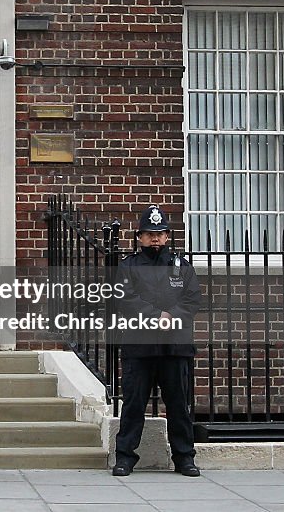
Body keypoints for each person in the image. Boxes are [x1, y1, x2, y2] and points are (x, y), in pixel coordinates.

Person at [112, 204, 202, 478]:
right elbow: (124, 299)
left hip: (175, 347)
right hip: (139, 347)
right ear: (139, 236)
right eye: (149, 233)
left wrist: (171, 316)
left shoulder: (181, 266)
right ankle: (125, 458)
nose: (155, 238)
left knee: (178, 406)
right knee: (133, 405)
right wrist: (155, 315)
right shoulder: (128, 266)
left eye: (160, 233)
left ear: (167, 236)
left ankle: (184, 458)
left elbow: (192, 299)